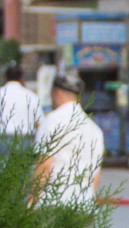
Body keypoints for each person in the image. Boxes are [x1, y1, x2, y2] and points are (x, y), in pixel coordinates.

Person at [31, 72, 104, 207]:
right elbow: (95, 175)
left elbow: (44, 165)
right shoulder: (94, 129)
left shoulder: (51, 121)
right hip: (84, 204)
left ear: (57, 94)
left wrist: (31, 201)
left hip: (52, 203)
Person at [0, 63, 41, 155]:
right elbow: (39, 124)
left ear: (5, 77)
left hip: (2, 140)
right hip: (25, 140)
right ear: (21, 77)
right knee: (23, 168)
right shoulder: (31, 96)